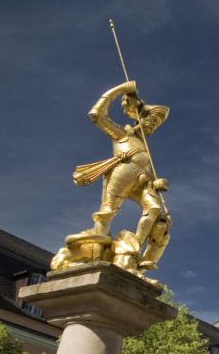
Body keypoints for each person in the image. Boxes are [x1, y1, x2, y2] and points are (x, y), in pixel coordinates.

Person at [72, 80, 171, 270]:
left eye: (156, 124)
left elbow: (148, 172)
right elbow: (96, 115)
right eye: (151, 121)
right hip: (121, 176)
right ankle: (96, 255)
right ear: (140, 119)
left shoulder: (145, 148)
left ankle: (133, 250)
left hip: (141, 183)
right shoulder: (124, 135)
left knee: (155, 210)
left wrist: (157, 182)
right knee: (107, 213)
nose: (153, 126)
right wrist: (120, 90)